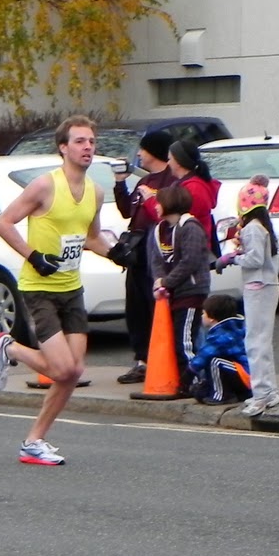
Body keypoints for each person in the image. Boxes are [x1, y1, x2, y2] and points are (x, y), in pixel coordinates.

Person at [0, 116, 112, 466]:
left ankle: (34, 441)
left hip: (72, 288)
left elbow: (90, 237)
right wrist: (33, 255)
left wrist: (116, 252)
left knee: (73, 372)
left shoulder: (95, 193)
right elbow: (3, 222)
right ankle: (9, 348)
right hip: (38, 287)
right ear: (63, 148)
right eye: (80, 141)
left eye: (91, 141)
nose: (88, 147)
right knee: (60, 369)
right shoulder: (44, 186)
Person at [110, 130, 174, 385]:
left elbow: (165, 214)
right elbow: (127, 210)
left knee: (154, 305)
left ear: (155, 151)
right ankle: (141, 360)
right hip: (136, 252)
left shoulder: (170, 180)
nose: (138, 154)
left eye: (143, 149)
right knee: (135, 308)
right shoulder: (143, 180)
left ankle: (160, 360)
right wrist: (119, 183)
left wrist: (152, 198)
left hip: (157, 250)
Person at [215, 179, 279, 416]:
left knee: (255, 342)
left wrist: (232, 258)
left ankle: (261, 394)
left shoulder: (253, 228)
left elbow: (255, 260)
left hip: (258, 287)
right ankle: (270, 391)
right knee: (262, 341)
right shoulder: (262, 226)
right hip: (266, 286)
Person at [149, 182, 213, 392]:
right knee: (179, 337)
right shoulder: (159, 230)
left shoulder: (191, 228)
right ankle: (185, 379)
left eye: (158, 202)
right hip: (173, 292)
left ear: (170, 203)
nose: (155, 206)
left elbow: (190, 261)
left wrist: (167, 282)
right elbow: (156, 260)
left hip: (191, 291)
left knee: (184, 340)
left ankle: (192, 382)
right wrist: (159, 281)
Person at [185, 293, 249, 406]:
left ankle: (222, 396)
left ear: (211, 318)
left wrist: (188, 374)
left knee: (215, 361)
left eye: (203, 313)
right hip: (240, 376)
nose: (201, 316)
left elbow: (204, 355)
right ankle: (232, 393)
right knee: (200, 391)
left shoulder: (223, 334)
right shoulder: (231, 327)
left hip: (246, 377)